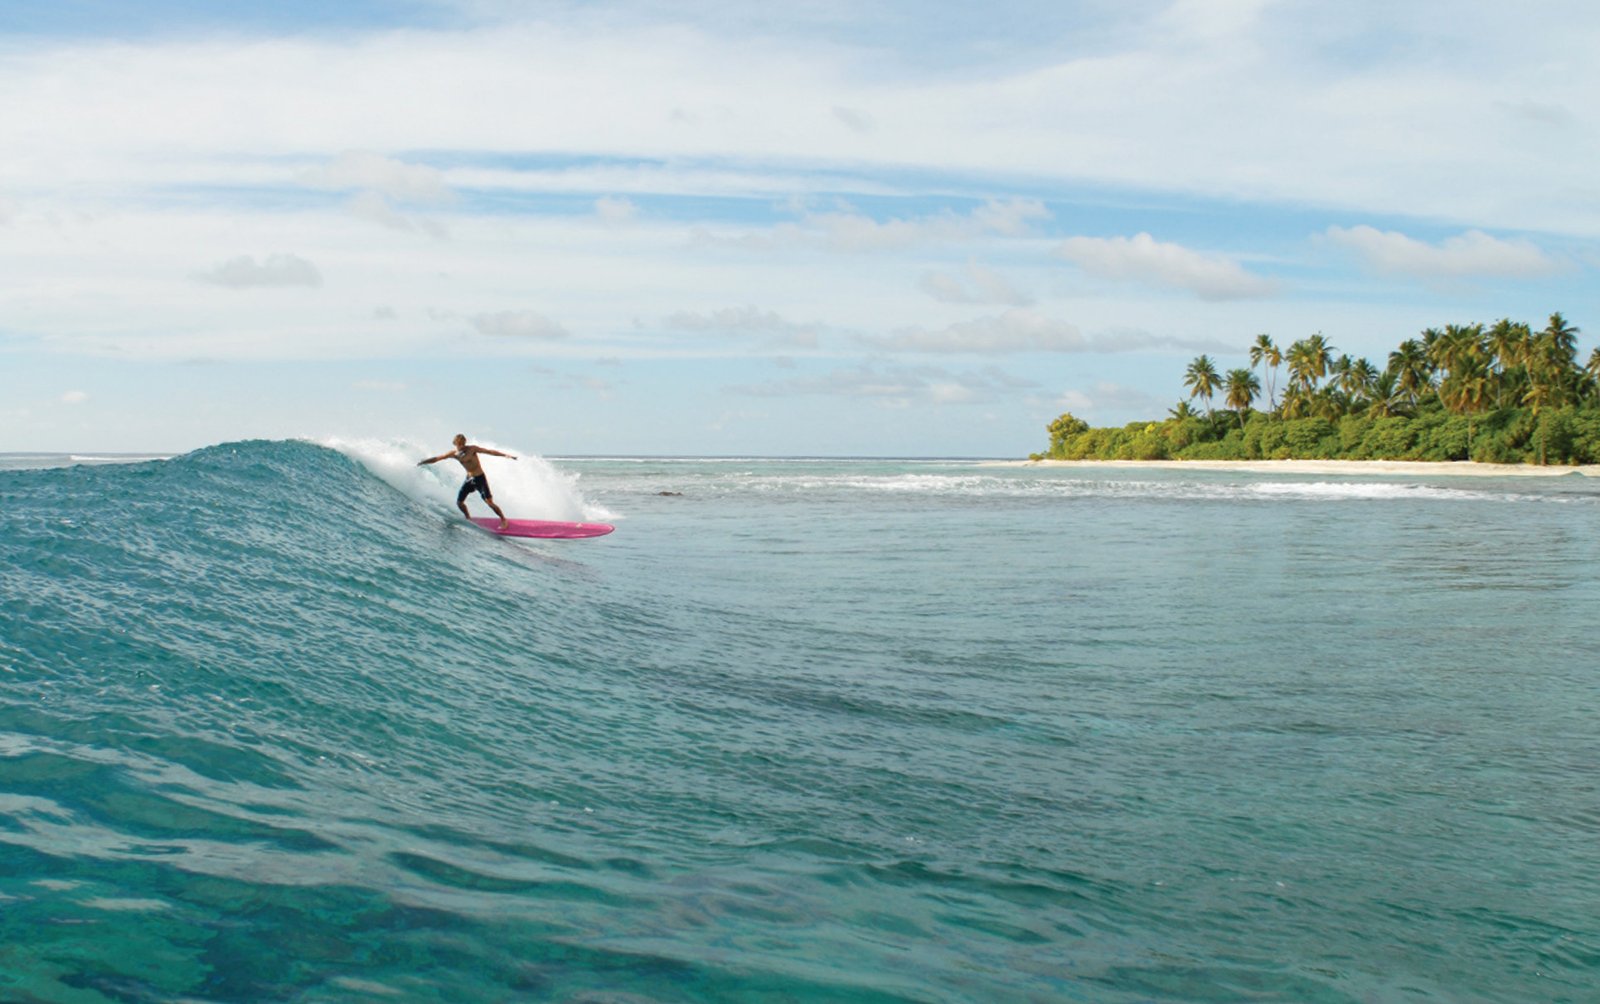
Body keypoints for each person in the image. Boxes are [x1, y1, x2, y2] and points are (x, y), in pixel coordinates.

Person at [418, 434, 518, 529]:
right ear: (455, 444)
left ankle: (503, 520)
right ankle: (468, 517)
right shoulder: (454, 454)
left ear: (464, 443)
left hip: (480, 478)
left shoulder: (472, 449)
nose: (460, 447)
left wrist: (505, 455)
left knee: (489, 502)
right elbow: (437, 458)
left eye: (462, 444)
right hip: (469, 479)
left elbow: (489, 452)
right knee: (459, 502)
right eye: (458, 445)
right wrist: (424, 462)